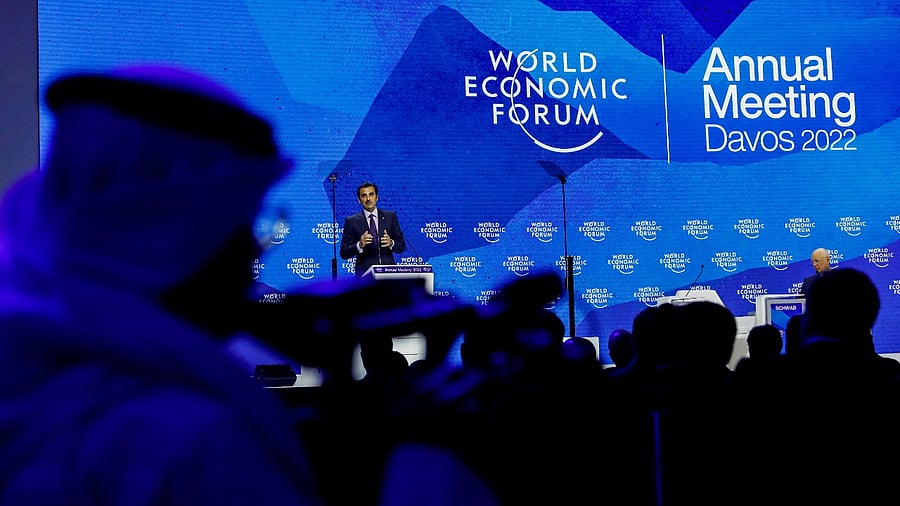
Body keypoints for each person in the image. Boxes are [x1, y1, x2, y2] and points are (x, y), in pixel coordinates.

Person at [0, 64, 323, 504]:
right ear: (166, 230)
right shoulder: (190, 442)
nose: (254, 251)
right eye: (240, 224)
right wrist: (423, 454)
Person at [339, 182, 406, 278]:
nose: (368, 199)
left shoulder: (390, 217)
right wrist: (359, 245)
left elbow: (401, 246)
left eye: (371, 194)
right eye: (364, 196)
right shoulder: (351, 221)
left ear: (377, 197)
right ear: (359, 200)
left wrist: (391, 242)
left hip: (389, 275)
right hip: (364, 278)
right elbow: (344, 253)